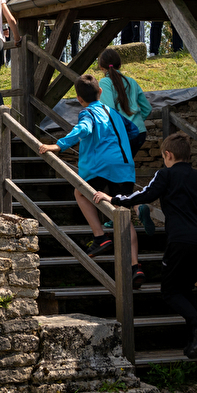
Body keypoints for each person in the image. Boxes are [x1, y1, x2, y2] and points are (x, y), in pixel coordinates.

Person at [102, 132, 197, 359]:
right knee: (185, 290)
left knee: (169, 292)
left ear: (167, 154)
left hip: (179, 241)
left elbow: (145, 195)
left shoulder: (165, 175)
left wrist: (114, 199)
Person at [37, 75, 138, 265]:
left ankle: (100, 236)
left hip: (101, 166)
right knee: (123, 215)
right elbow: (133, 131)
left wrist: (59, 146)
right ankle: (135, 266)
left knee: (81, 193)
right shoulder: (113, 112)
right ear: (100, 92)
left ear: (79, 99)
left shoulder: (87, 113)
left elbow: (83, 129)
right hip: (125, 166)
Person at [97, 48, 152, 153]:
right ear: (120, 65)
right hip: (140, 132)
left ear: (101, 67)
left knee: (116, 167)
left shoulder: (105, 82)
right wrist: (137, 121)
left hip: (123, 133)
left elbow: (109, 110)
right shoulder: (132, 82)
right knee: (126, 165)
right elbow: (147, 108)